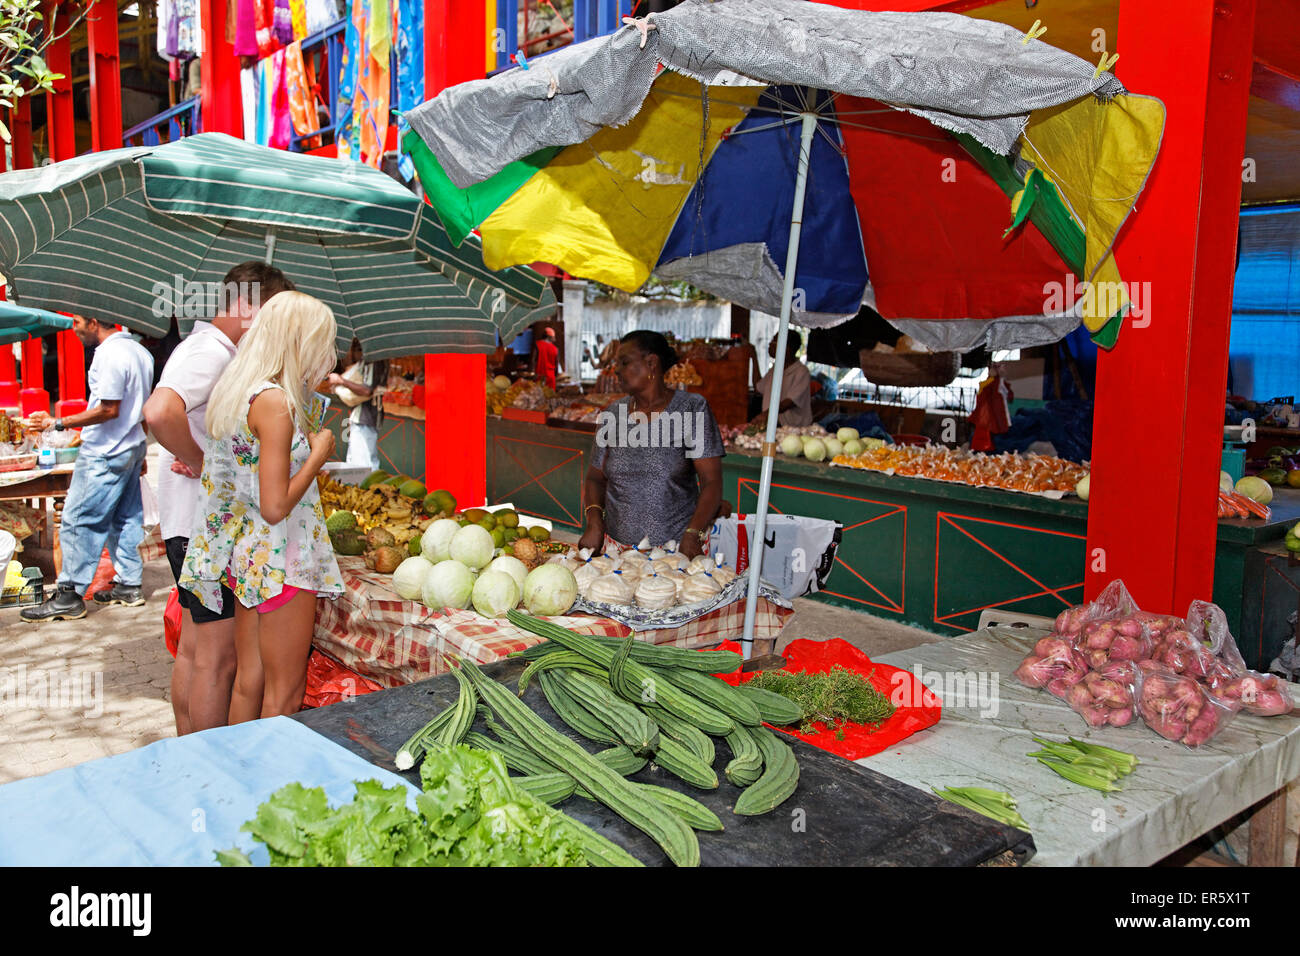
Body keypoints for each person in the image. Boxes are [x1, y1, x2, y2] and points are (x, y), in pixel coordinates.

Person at [143, 261, 295, 735]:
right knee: (217, 658)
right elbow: (159, 410)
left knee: (195, 651)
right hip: (203, 527)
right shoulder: (210, 351)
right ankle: (206, 764)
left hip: (190, 526)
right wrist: (207, 462)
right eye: (270, 313)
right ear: (247, 305)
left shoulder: (206, 348)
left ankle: (188, 752)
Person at [179, 291, 344, 723]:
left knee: (248, 682)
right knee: (284, 696)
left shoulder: (240, 392)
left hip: (248, 555)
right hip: (282, 558)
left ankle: (238, 775)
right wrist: (317, 454)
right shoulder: (275, 404)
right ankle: (269, 784)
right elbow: (275, 505)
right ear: (301, 342)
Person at [22, 316, 154, 622]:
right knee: (125, 517)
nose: (74, 329)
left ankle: (69, 593)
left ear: (94, 322)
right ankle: (129, 584)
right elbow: (142, 406)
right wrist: (142, 445)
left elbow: (109, 409)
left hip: (105, 452)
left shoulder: (109, 354)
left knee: (77, 520)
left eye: (78, 322)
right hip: (130, 445)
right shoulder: (139, 351)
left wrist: (56, 422)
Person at [578, 330, 724, 559]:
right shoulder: (612, 414)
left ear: (651, 363)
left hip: (674, 553)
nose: (616, 370)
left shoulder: (691, 409)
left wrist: (693, 533)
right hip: (617, 554)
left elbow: (712, 481)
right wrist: (594, 522)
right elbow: (595, 478)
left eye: (624, 362)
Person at [326, 338, 387, 471]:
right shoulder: (371, 362)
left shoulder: (373, 362)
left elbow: (366, 390)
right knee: (358, 462)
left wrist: (342, 381)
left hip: (366, 416)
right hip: (363, 416)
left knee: (363, 465)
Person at [754, 331, 813, 427]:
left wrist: (766, 414)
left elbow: (789, 402)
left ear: (786, 348)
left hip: (792, 428)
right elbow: (758, 387)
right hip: (773, 424)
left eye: (774, 341)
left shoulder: (801, 372)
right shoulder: (775, 369)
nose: (770, 344)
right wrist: (753, 356)